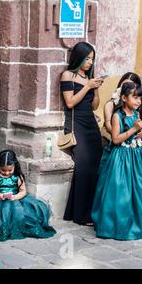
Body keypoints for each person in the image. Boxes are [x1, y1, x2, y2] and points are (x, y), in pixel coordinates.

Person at [92, 82, 142, 240]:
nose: (138, 101)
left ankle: (136, 221)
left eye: (140, 98)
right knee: (120, 192)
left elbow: (138, 133)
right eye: (135, 97)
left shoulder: (136, 114)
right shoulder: (117, 116)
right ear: (124, 98)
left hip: (136, 156)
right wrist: (134, 129)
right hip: (121, 158)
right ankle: (116, 225)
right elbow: (115, 139)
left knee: (137, 189)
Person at [60, 41, 104, 226]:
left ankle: (86, 211)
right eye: (87, 59)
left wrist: (95, 88)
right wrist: (87, 86)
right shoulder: (67, 75)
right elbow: (70, 103)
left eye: (92, 59)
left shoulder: (89, 78)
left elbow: (95, 105)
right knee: (83, 166)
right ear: (78, 57)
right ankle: (80, 214)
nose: (89, 63)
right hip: (76, 124)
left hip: (91, 125)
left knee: (95, 167)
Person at [0, 150, 56, 241]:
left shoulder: (17, 176)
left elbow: (23, 191)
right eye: (3, 170)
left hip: (15, 199)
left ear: (15, 166)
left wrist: (15, 197)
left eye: (10, 170)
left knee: (22, 212)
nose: (7, 173)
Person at [102, 72, 141, 142]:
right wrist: (123, 136)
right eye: (124, 85)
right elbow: (108, 127)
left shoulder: (136, 106)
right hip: (110, 137)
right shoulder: (111, 104)